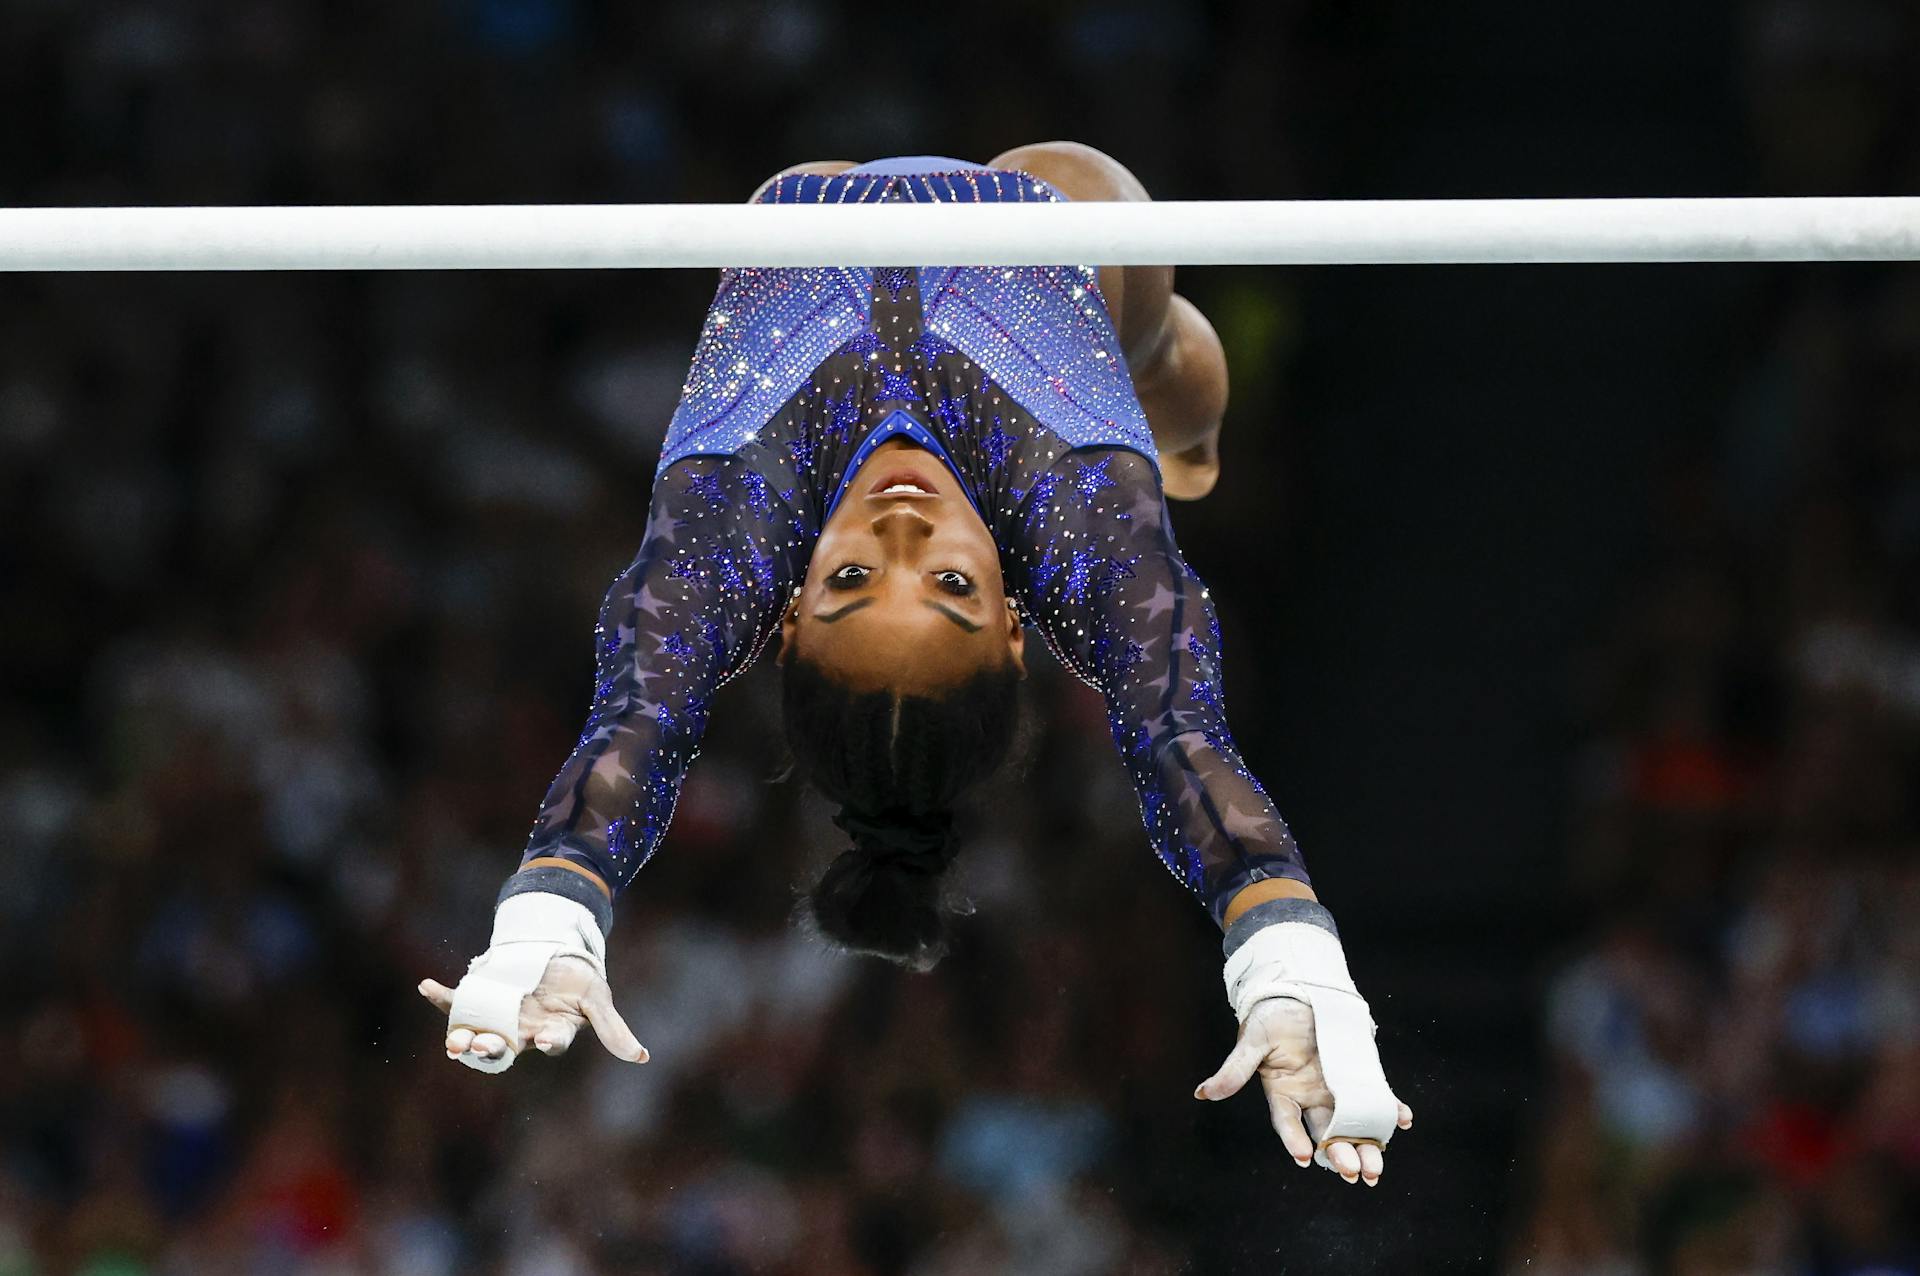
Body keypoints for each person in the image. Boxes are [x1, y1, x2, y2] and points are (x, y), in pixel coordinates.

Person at [419, 143, 1414, 1185]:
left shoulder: (729, 533)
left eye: (850, 578)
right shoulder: (1080, 524)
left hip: (815, 200)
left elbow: (637, 723)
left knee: (856, 177)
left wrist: (555, 907)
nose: (904, 527)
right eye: (952, 585)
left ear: (788, 616)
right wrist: (1285, 957)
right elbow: (1180, 735)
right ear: (1019, 621)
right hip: (1063, 243)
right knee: (1106, 236)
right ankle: (1169, 391)